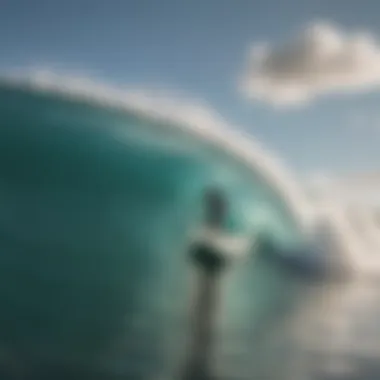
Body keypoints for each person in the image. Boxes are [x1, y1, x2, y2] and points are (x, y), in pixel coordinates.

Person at [182, 188, 229, 380]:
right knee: (201, 326)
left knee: (204, 327)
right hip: (206, 281)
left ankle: (197, 365)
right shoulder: (209, 227)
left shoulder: (214, 227)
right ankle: (196, 366)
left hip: (210, 281)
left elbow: (202, 254)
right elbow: (197, 253)